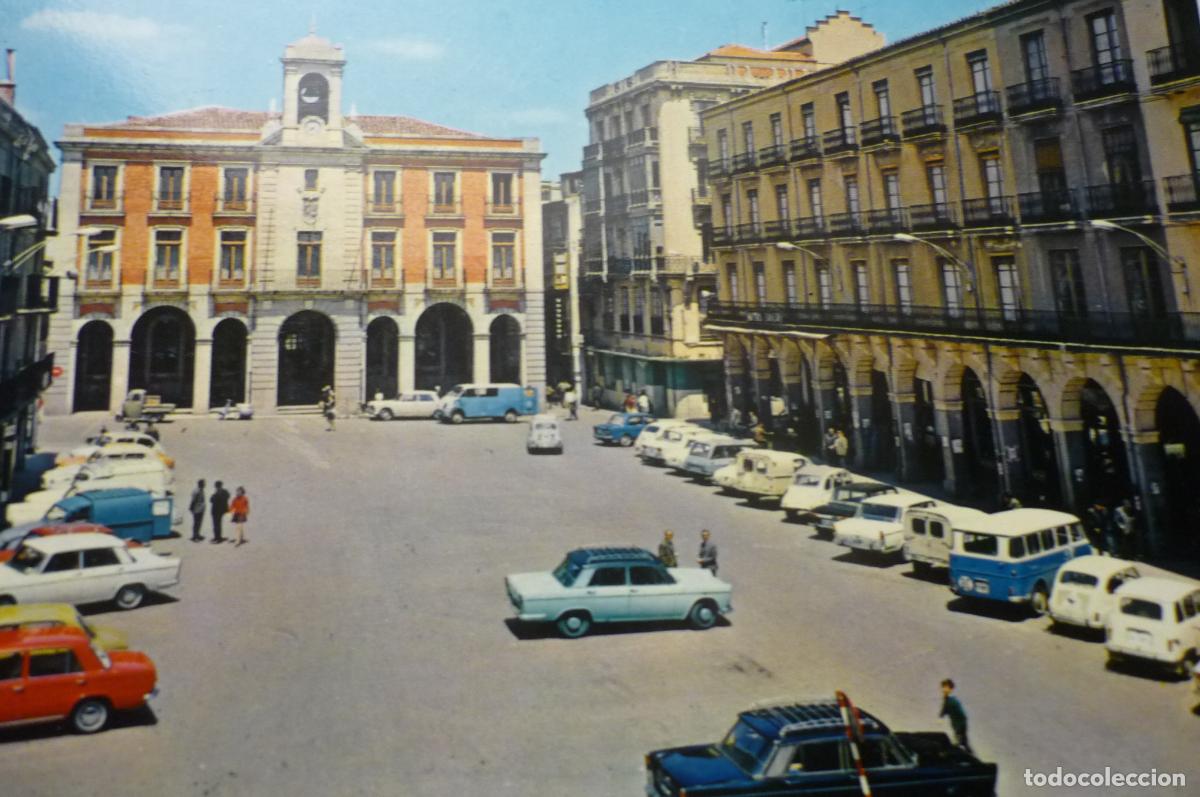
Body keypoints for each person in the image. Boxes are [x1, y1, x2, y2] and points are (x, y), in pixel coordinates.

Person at [939, 679, 971, 753]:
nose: (944, 689)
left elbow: (961, 715)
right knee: (963, 743)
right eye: (943, 687)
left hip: (959, 725)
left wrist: (959, 728)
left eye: (945, 687)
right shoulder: (948, 700)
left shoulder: (952, 700)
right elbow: (944, 711)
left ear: (950, 688)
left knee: (962, 743)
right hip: (958, 725)